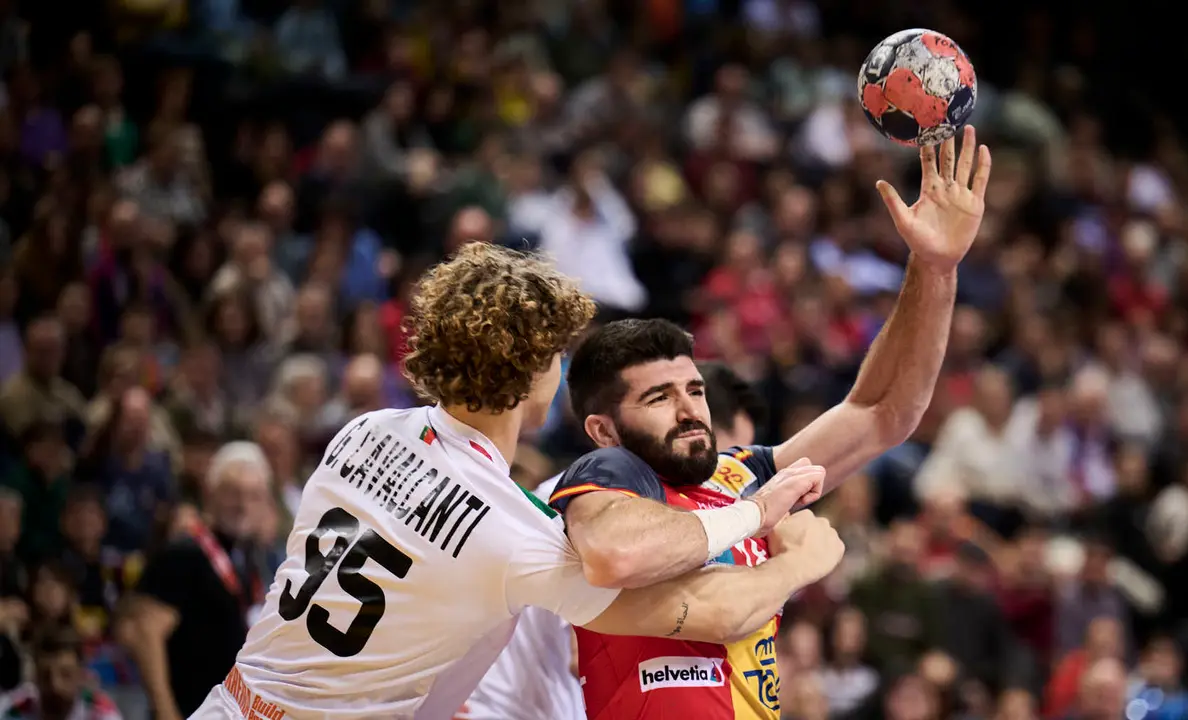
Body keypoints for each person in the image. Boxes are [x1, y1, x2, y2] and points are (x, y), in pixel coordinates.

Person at [186, 243, 844, 719]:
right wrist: (769, 528)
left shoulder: (365, 431)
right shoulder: (514, 535)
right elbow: (713, 613)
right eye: (557, 355)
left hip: (228, 704)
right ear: (534, 371)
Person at [549, 127, 991, 718]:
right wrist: (792, 558)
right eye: (658, 397)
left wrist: (935, 269)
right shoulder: (607, 476)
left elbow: (882, 412)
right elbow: (615, 557)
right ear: (603, 429)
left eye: (695, 390)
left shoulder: (739, 475)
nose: (689, 411)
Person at [463, 361, 766, 720]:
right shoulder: (599, 511)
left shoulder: (594, 495)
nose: (732, 478)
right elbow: (590, 651)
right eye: (731, 456)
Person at [123, 442, 275, 720]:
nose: (243, 505)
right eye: (233, 492)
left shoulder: (249, 558)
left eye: (253, 495)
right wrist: (166, 712)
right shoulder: (185, 552)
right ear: (210, 494)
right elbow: (144, 633)